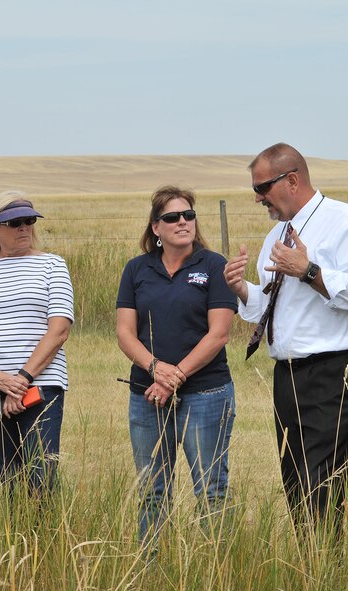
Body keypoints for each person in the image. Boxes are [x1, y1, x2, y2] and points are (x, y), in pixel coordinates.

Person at [223, 143, 348, 532]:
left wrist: (310, 270)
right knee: (295, 479)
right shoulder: (276, 235)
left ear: (291, 179)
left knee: (322, 480)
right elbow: (275, 304)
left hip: (334, 369)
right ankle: (311, 560)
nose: (258, 198)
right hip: (288, 373)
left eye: (262, 188)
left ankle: (326, 564)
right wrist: (242, 290)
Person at [116, 186, 237, 545]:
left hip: (206, 394)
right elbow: (125, 332)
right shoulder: (137, 269)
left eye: (188, 215)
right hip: (147, 396)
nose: (182, 222)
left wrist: (174, 377)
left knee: (211, 488)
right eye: (172, 217)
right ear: (156, 227)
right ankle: (151, 568)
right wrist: (156, 370)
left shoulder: (214, 265)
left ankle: (218, 570)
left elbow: (219, 334)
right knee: (152, 490)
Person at [0, 192, 73, 497]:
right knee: (10, 478)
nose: (24, 227)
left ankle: (47, 541)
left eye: (29, 221)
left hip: (40, 386)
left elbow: (59, 329)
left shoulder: (53, 266)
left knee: (41, 477)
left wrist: (21, 381)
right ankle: (15, 541)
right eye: (14, 222)